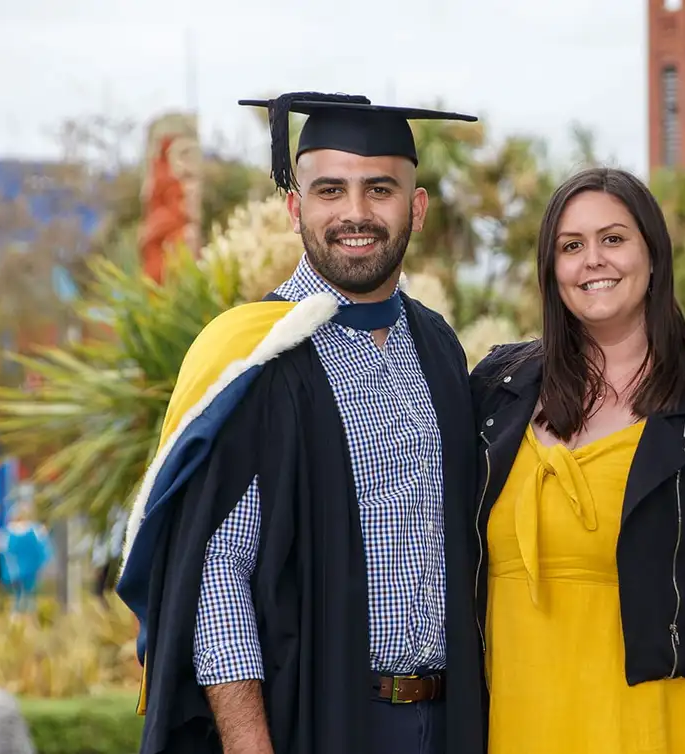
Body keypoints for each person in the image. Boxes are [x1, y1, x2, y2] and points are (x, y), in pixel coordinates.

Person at [114, 91, 485, 754]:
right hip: (315, 719)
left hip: (449, 721)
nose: (356, 213)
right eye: (329, 191)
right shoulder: (256, 357)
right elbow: (218, 567)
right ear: (295, 207)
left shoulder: (439, 348)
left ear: (416, 207)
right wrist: (250, 744)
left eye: (380, 189)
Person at [468, 167, 685, 753]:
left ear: (653, 255)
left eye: (613, 239)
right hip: (510, 723)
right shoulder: (496, 390)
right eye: (571, 246)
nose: (593, 260)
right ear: (551, 268)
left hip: (646, 726)